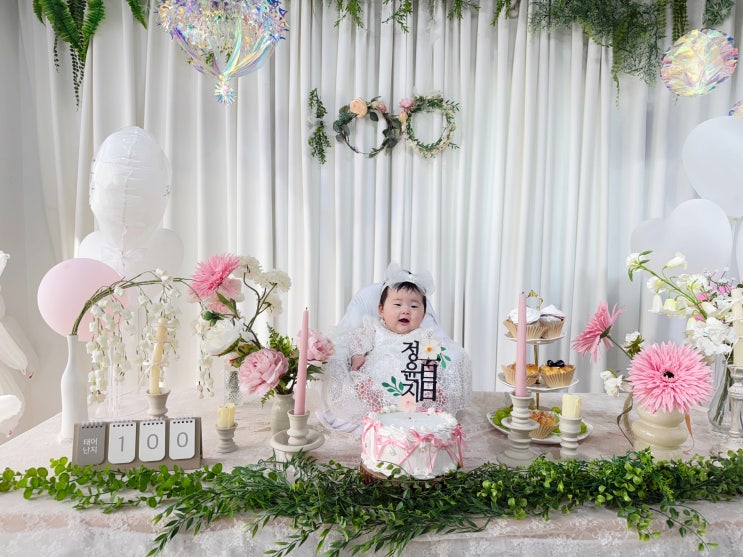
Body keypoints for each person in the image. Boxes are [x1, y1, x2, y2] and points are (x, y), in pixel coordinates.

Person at [318, 263, 471, 433]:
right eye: (397, 305)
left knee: (428, 387)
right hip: (379, 378)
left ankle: (426, 408)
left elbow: (433, 356)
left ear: (423, 314)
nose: (406, 311)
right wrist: (357, 355)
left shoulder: (424, 335)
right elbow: (357, 341)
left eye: (414, 306)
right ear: (381, 310)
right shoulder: (374, 329)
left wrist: (431, 366)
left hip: (411, 383)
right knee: (363, 385)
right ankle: (376, 404)